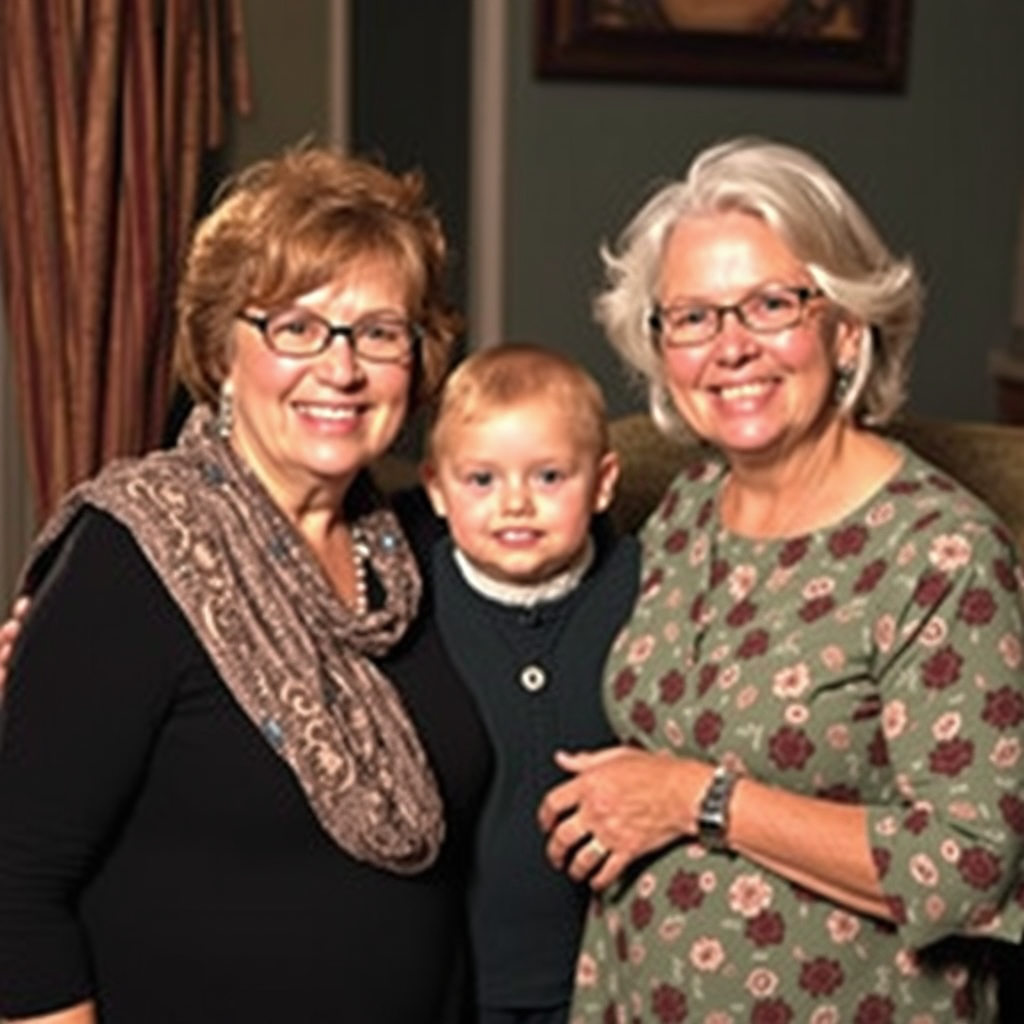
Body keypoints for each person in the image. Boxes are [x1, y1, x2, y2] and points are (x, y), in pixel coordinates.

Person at [0, 145, 492, 1023]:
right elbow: (15, 882)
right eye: (296, 327)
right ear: (223, 350)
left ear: (417, 363)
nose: (340, 369)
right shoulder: (133, 555)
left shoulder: (428, 546)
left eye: (380, 332)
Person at [538, 137, 1024, 1022]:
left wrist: (697, 800)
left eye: (769, 305)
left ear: (845, 329)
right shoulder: (684, 509)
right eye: (691, 316)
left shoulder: (943, 554)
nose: (730, 347)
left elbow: (967, 865)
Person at [419, 342, 639, 1024]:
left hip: (611, 975)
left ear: (602, 483)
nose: (515, 504)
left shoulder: (647, 585)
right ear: (436, 488)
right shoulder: (413, 604)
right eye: (480, 480)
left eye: (548, 477)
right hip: (462, 980)